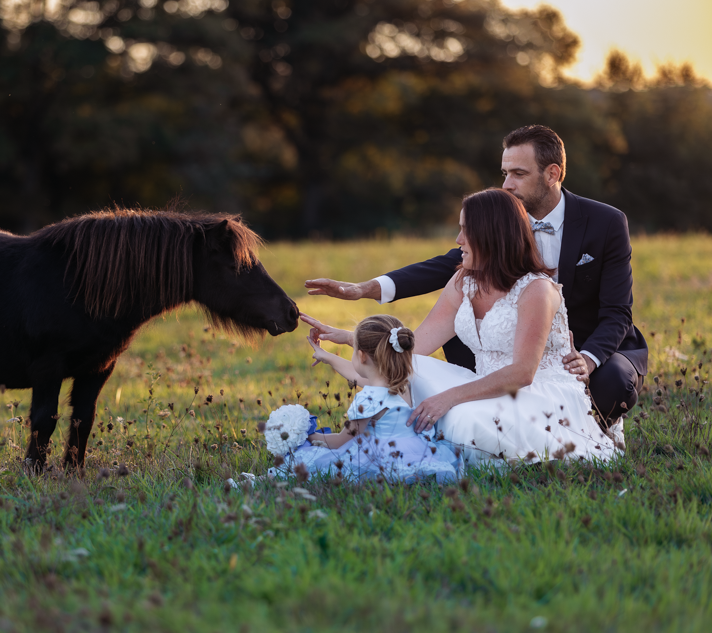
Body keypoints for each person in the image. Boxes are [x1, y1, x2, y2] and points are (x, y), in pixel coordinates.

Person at [304, 125, 647, 423]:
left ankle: (588, 427)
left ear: (553, 173)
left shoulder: (605, 223)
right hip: (510, 357)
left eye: (519, 174)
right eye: (505, 173)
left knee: (612, 383)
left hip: (585, 348)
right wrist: (361, 300)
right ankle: (480, 395)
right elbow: (441, 269)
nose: (507, 184)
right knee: (445, 338)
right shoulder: (500, 223)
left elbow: (617, 312)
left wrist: (587, 360)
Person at [302, 189, 622, 467]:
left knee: (462, 420)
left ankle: (404, 447)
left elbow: (523, 372)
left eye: (465, 230)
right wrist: (351, 338)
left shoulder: (537, 290)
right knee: (405, 370)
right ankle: (354, 440)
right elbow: (417, 346)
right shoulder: (463, 280)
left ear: (491, 235)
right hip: (482, 384)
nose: (458, 240)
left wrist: (448, 398)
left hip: (538, 394)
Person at [268, 314, 462, 483]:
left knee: (312, 461)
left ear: (361, 356)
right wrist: (327, 356)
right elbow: (362, 377)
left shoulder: (368, 398)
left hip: (380, 458)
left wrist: (307, 436)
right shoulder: (403, 384)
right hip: (416, 451)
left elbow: (340, 441)